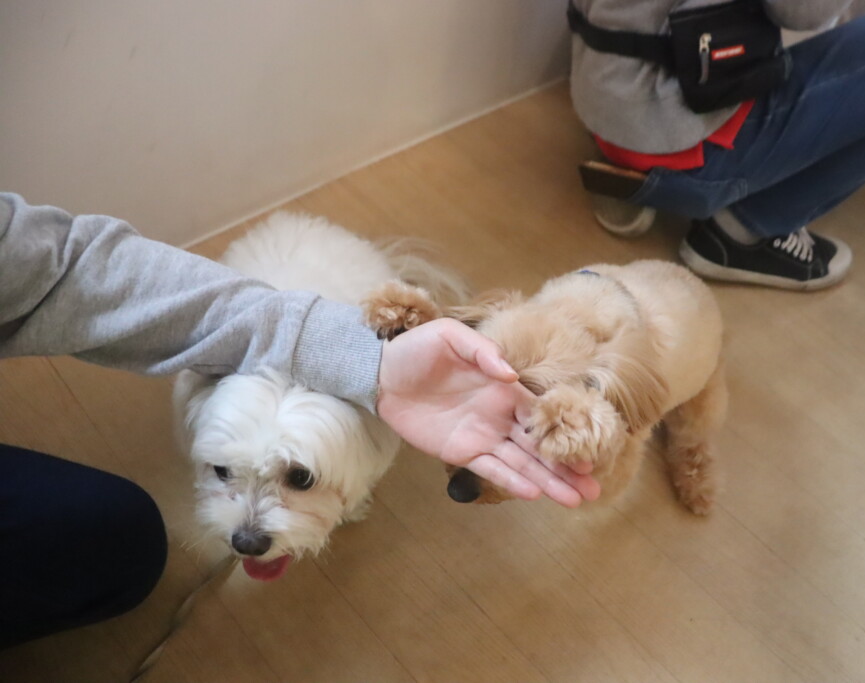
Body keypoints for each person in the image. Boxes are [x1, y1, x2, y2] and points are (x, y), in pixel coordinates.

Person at [0, 192, 600, 647]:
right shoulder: (208, 402)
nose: (248, 530)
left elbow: (69, 269)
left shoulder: (367, 425)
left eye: (300, 478)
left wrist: (368, 361)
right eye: (223, 473)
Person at [569, 0, 865, 290]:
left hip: (605, 93)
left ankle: (634, 173)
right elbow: (805, 11)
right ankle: (750, 227)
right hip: (677, 133)